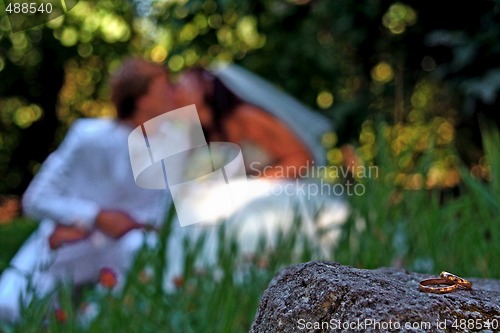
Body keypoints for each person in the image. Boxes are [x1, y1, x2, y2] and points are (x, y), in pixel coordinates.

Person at [0, 58, 175, 322]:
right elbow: (36, 198)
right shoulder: (90, 136)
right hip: (68, 248)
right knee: (12, 311)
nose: (173, 94)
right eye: (165, 88)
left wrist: (136, 227)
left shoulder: (170, 149)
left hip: (124, 262)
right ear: (142, 99)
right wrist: (95, 217)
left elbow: (166, 214)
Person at [173, 67, 315, 178]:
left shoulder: (247, 117)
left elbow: (302, 159)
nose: (176, 94)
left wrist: (253, 186)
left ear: (206, 88)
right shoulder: (198, 135)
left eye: (183, 86)